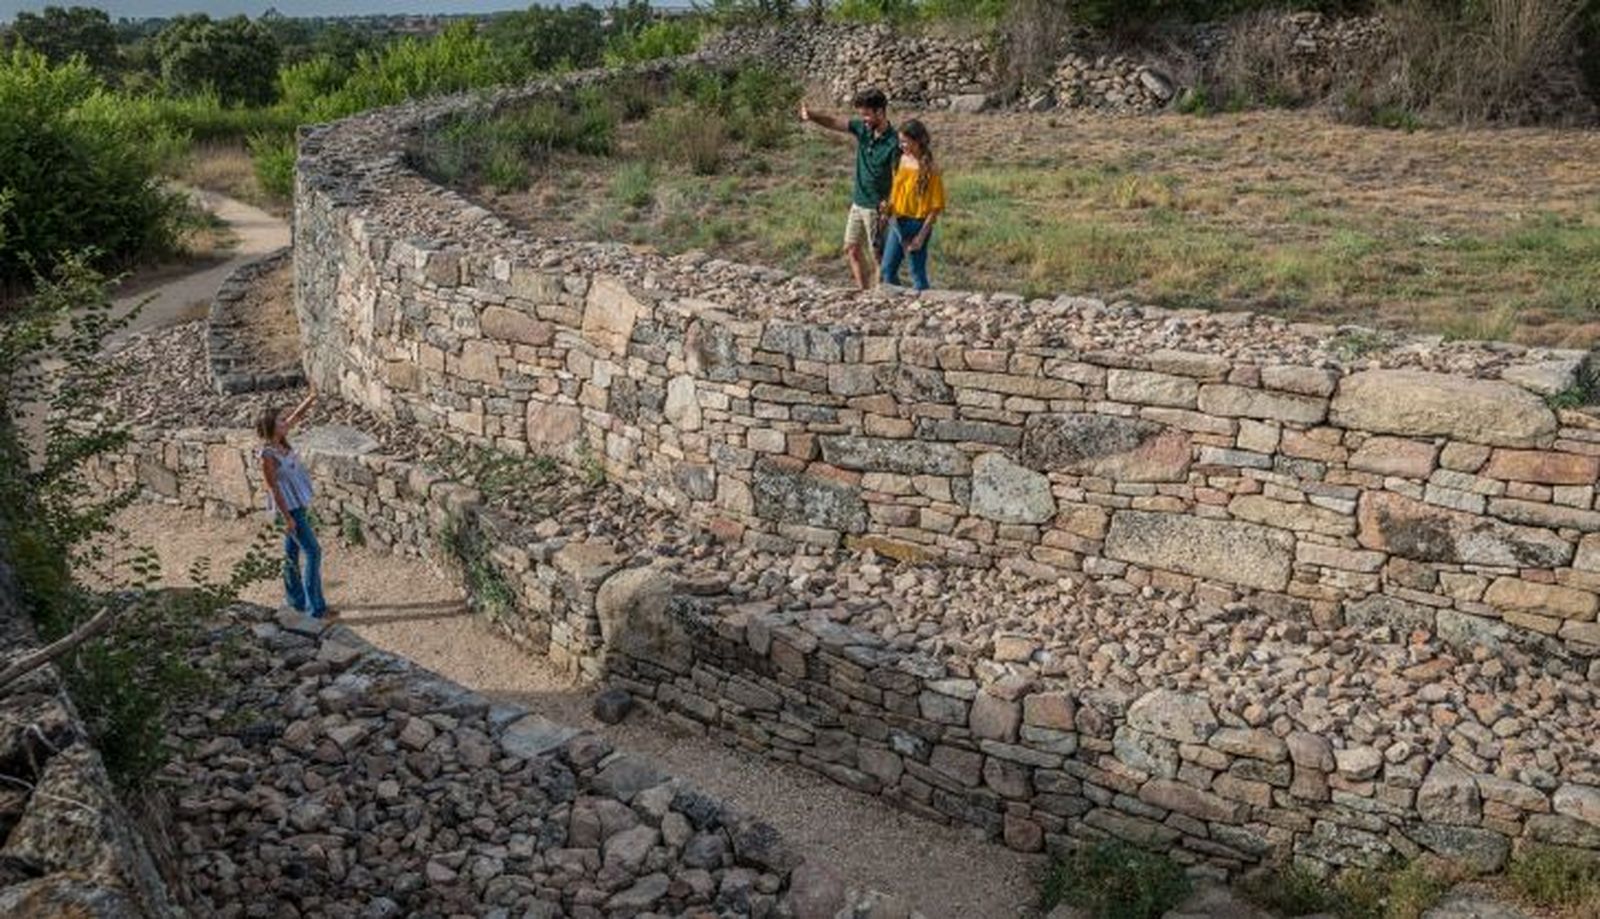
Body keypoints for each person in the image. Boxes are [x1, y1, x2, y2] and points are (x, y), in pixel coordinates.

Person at [798, 87, 900, 290]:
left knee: (878, 255)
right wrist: (811, 115)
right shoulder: (863, 129)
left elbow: (899, 178)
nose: (864, 119)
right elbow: (834, 122)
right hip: (858, 202)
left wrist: (888, 205)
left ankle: (881, 295)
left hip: (876, 207)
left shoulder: (894, 141)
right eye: (861, 115)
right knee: (851, 248)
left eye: (867, 114)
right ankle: (864, 293)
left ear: (880, 111)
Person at [257, 388, 327, 619]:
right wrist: (287, 518)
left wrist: (312, 397)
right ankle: (314, 608)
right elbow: (273, 487)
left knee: (292, 552)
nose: (285, 422)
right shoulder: (268, 454)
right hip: (288, 508)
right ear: (270, 426)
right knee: (313, 551)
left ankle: (295, 600)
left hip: (297, 503)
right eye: (280, 420)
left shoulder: (282, 444)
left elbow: (296, 416)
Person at [879, 119, 945, 292]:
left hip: (918, 224)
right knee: (887, 269)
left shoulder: (931, 168)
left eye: (905, 142)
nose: (902, 146)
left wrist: (921, 237)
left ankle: (924, 307)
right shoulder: (902, 160)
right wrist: (888, 208)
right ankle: (899, 305)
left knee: (917, 273)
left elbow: (935, 207)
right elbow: (897, 190)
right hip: (897, 221)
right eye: (900, 141)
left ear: (917, 141)